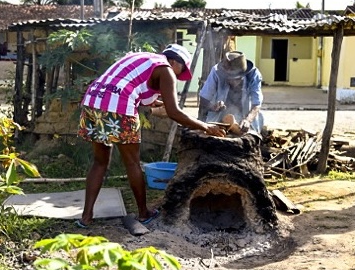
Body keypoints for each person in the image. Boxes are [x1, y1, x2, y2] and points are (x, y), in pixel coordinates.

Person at [76, 44, 225, 228]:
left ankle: (86, 217)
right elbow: (173, 113)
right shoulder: (166, 69)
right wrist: (205, 127)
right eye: (181, 69)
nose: (179, 76)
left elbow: (146, 98)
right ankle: (143, 213)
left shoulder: (145, 59)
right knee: (132, 162)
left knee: (100, 161)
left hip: (93, 100)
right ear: (173, 61)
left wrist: (170, 106)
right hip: (118, 106)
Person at [198, 51, 264, 134]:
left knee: (250, 134)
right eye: (229, 78)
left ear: (243, 75)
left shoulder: (254, 74)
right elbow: (204, 99)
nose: (232, 81)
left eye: (236, 78)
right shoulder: (216, 72)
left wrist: (248, 120)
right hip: (220, 117)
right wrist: (213, 107)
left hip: (247, 115)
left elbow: (257, 104)